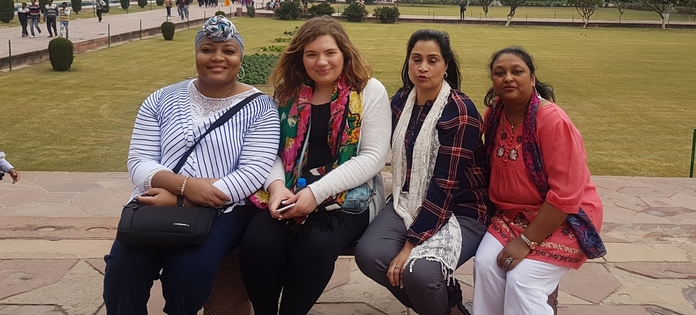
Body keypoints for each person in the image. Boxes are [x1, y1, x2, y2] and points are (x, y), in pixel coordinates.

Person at [103, 16, 280, 315]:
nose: (218, 58)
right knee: (123, 268)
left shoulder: (260, 108)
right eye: (208, 49)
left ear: (240, 57)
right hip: (155, 203)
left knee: (188, 272)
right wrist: (184, 186)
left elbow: (252, 173)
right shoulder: (161, 99)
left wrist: (180, 198)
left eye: (228, 50)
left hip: (223, 210)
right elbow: (139, 162)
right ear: (197, 54)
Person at [239, 16, 392, 315]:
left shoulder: (368, 91)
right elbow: (273, 152)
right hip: (289, 187)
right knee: (258, 242)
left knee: (316, 245)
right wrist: (277, 186)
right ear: (301, 57)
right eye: (311, 54)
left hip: (348, 194)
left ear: (344, 53)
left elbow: (372, 157)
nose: (321, 62)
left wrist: (317, 193)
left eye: (329, 52)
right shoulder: (288, 94)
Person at [355, 29, 490, 315]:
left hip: (461, 207)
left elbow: (446, 185)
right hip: (409, 198)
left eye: (432, 60)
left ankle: (440, 302)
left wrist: (410, 244)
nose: (423, 67)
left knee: (421, 274)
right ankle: (447, 303)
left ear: (446, 66)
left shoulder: (460, 112)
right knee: (370, 256)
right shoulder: (401, 101)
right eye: (416, 59)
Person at [472, 47, 603, 315]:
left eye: (517, 71)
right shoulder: (494, 116)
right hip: (511, 216)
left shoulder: (551, 120)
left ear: (532, 79)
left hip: (562, 218)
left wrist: (525, 242)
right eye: (500, 73)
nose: (508, 78)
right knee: (486, 265)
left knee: (523, 280)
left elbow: (566, 196)